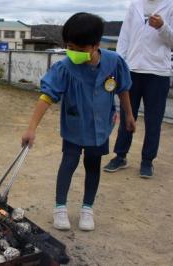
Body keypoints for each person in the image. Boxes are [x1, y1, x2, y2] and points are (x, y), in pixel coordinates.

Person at [21, 13, 136, 231]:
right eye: (69, 47)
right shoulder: (65, 67)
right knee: (69, 163)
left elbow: (123, 89)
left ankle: (87, 208)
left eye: (79, 49)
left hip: (100, 128)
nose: (72, 52)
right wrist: (31, 128)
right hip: (74, 126)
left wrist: (129, 115)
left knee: (93, 166)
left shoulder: (114, 62)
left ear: (95, 45)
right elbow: (46, 96)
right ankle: (60, 207)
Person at [104, 0, 173, 178]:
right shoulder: (135, 5)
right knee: (128, 115)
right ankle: (120, 156)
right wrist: (119, 65)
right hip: (131, 70)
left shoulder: (170, 5)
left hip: (158, 72)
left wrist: (162, 26)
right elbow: (124, 37)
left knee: (153, 120)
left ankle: (147, 161)